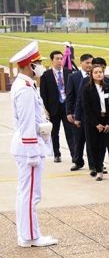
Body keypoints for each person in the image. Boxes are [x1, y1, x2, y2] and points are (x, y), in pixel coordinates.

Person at [10, 41, 58, 247]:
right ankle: (30, 236)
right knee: (31, 194)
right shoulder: (26, 89)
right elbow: (28, 123)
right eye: (38, 63)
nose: (40, 66)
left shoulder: (26, 85)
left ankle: (26, 233)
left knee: (26, 193)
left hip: (28, 145)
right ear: (30, 65)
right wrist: (32, 154)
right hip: (29, 147)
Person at [81, 59, 109, 182]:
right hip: (93, 123)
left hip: (107, 121)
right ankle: (99, 171)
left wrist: (108, 123)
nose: (98, 74)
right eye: (96, 72)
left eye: (100, 72)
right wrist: (96, 124)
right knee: (95, 147)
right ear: (91, 74)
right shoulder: (87, 89)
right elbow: (87, 108)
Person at [39, 50, 74, 163]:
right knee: (55, 132)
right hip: (54, 107)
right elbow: (43, 94)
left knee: (70, 132)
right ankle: (57, 153)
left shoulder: (69, 73)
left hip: (67, 107)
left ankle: (74, 154)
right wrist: (45, 109)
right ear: (52, 60)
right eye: (57, 59)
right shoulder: (46, 75)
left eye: (61, 58)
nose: (59, 61)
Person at [65, 53, 93, 171]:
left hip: (91, 114)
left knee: (91, 142)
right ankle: (78, 161)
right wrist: (69, 112)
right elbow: (70, 96)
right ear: (81, 63)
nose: (89, 65)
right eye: (87, 63)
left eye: (91, 63)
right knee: (78, 139)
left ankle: (94, 165)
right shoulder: (73, 77)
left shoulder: (95, 76)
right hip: (78, 113)